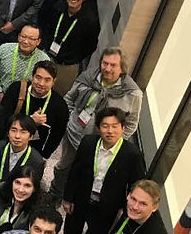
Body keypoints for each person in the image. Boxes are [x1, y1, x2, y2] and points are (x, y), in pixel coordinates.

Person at [49, 47, 144, 198]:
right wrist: (69, 120)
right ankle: (55, 193)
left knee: (88, 174)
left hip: (102, 146)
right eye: (105, 63)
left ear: (122, 68)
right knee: (64, 167)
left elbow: (131, 124)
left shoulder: (132, 93)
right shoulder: (88, 78)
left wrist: (113, 141)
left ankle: (74, 199)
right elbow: (69, 99)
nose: (107, 68)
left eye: (113, 65)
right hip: (75, 135)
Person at [62, 107, 145, 234]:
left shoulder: (132, 155)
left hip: (107, 207)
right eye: (105, 126)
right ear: (98, 128)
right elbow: (75, 171)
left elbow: (136, 185)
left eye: (115, 126)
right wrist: (68, 198)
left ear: (123, 128)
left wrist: (125, 209)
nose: (110, 131)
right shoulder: (88, 143)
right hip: (81, 198)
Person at [0, 61, 69, 158]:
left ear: (54, 81)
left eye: (47, 80)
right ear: (32, 77)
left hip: (34, 152)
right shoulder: (16, 89)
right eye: (38, 78)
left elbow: (57, 135)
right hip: (9, 144)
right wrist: (31, 120)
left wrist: (43, 155)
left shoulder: (60, 105)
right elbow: (2, 118)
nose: (41, 83)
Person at [42, 0, 100, 94]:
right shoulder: (56, 9)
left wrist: (73, 58)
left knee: (58, 95)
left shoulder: (90, 21)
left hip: (67, 66)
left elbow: (91, 46)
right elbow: (46, 28)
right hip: (47, 56)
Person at [0, 114, 47, 202]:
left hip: (17, 199)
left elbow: (30, 187)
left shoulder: (37, 161)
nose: (17, 136)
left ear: (31, 136)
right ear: (8, 133)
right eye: (14, 130)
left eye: (23, 132)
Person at [0, 23, 48, 99]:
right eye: (23, 36)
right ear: (18, 36)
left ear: (38, 41)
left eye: (31, 39)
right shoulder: (4, 49)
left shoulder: (43, 59)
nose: (26, 41)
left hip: (26, 100)